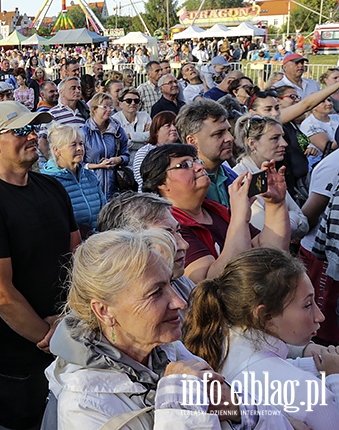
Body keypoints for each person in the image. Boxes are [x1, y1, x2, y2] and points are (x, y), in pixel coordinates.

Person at [46, 230, 275, 429]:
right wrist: (178, 400)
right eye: (155, 292)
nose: (179, 302)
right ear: (104, 311)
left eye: (171, 284)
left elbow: (250, 414)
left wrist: (233, 406)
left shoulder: (166, 350)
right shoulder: (83, 406)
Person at [0, 101, 79, 429]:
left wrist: (70, 321)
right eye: (21, 130)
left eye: (34, 129)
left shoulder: (52, 188)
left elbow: (78, 258)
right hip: (17, 362)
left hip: (68, 338)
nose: (32, 136)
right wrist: (52, 339)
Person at [184, 248, 339, 429]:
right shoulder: (311, 394)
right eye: (307, 305)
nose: (320, 316)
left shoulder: (215, 341)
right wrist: (335, 377)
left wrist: (320, 365)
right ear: (266, 316)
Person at [140, 143, 290, 283]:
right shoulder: (170, 227)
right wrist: (239, 216)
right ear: (161, 183)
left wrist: (275, 204)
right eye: (185, 165)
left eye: (197, 161)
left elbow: (272, 251)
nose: (199, 167)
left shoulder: (215, 210)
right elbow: (211, 281)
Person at [95, 192, 194, 304]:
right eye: (167, 235)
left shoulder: (181, 282)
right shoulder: (116, 305)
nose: (184, 245)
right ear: (129, 244)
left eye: (178, 231)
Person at [233, 114, 310, 239]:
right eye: (275, 138)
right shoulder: (240, 177)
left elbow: (304, 223)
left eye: (283, 137)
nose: (284, 143)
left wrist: (284, 223)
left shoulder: (269, 172)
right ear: (252, 143)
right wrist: (290, 219)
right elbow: (265, 231)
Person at [42, 123, 106, 237]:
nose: (79, 148)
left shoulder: (90, 177)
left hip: (97, 241)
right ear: (57, 151)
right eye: (73, 145)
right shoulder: (48, 182)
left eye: (81, 144)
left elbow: (105, 211)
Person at [175, 99, 237, 208]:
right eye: (218, 134)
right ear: (192, 141)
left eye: (229, 131)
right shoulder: (183, 187)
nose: (230, 138)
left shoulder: (232, 177)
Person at [81, 93, 130, 200]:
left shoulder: (117, 130)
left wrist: (118, 159)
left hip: (114, 187)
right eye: (105, 107)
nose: (109, 110)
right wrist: (98, 166)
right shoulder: (83, 133)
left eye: (110, 107)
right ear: (94, 109)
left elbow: (126, 155)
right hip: (91, 187)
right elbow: (79, 164)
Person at [132, 111, 180, 190]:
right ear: (156, 131)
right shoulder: (145, 152)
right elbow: (142, 179)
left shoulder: (182, 151)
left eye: (175, 125)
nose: (174, 128)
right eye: (168, 126)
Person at [112, 87, 150, 157]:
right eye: (128, 101)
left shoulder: (145, 116)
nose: (133, 103)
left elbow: (151, 136)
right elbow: (119, 144)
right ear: (120, 104)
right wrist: (143, 141)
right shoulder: (114, 120)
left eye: (136, 101)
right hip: (124, 161)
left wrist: (130, 136)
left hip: (144, 158)